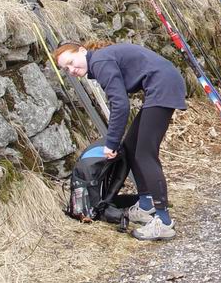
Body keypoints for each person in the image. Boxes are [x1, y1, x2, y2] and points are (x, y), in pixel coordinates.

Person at [53, 41, 186, 241]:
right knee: (132, 147)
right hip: (161, 84)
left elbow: (120, 105)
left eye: (71, 62)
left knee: (145, 154)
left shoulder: (99, 62)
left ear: (82, 50)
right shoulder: (100, 61)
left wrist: (112, 143)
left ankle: (164, 221)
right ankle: (146, 205)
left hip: (163, 86)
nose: (71, 70)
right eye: (66, 69)